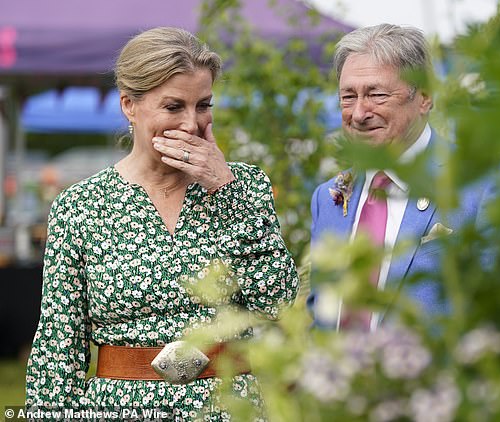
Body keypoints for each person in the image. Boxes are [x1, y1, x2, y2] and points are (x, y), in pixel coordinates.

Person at [25, 27, 299, 419]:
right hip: (119, 410)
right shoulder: (81, 206)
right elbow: (58, 348)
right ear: (128, 105)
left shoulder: (244, 187)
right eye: (173, 107)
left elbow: (278, 304)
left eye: (203, 105)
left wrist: (227, 191)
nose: (191, 124)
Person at [308, 24, 500, 330]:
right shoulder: (328, 199)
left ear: (424, 97)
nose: (358, 113)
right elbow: (323, 319)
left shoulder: (487, 185)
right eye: (348, 97)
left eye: (376, 94)